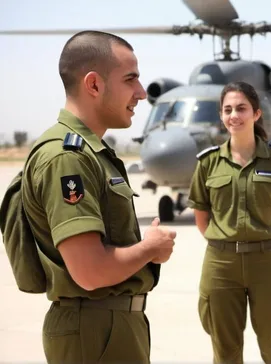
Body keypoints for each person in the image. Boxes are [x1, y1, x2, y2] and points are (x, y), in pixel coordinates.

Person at [20, 31, 176, 363]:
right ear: (94, 85)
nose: (141, 92)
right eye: (130, 78)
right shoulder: (68, 158)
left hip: (111, 324)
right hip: (95, 331)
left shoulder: (89, 152)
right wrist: (150, 248)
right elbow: (90, 271)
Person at [187, 81, 271, 363]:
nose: (234, 115)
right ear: (221, 115)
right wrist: (226, 243)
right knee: (225, 351)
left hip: (268, 263)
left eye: (241, 108)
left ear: (256, 114)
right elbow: (201, 216)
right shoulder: (208, 163)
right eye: (227, 110)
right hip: (221, 265)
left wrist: (267, 243)